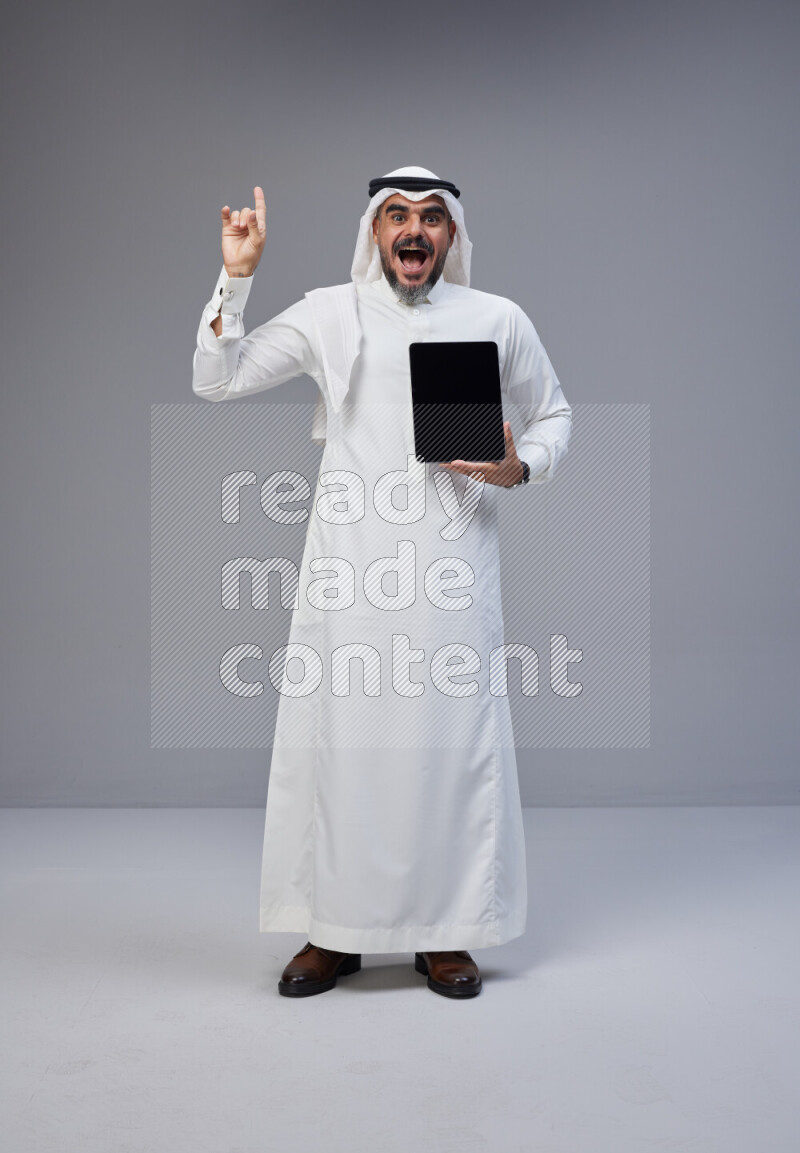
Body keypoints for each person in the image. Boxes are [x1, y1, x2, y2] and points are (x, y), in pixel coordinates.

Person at [192, 166, 572, 999]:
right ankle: (335, 930)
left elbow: (556, 417)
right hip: (349, 570)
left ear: (452, 236)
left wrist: (518, 468)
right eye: (397, 214)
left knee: (445, 749)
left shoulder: (495, 318)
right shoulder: (329, 312)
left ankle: (445, 932)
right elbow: (216, 378)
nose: (414, 230)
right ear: (373, 230)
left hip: (450, 570)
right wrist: (238, 278)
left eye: (432, 218)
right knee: (343, 746)